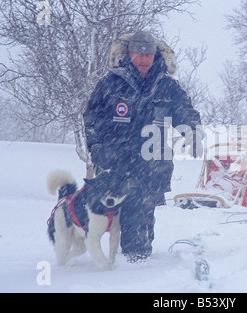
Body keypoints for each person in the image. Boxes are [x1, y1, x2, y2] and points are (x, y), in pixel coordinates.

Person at [83, 31, 202, 262]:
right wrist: (96, 148)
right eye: (139, 54)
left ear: (155, 56)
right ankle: (136, 261)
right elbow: (92, 117)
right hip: (118, 164)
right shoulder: (111, 83)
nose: (144, 60)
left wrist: (193, 132)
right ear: (129, 54)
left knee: (146, 213)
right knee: (131, 209)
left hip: (153, 163)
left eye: (149, 55)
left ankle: (141, 259)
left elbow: (185, 112)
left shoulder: (167, 86)